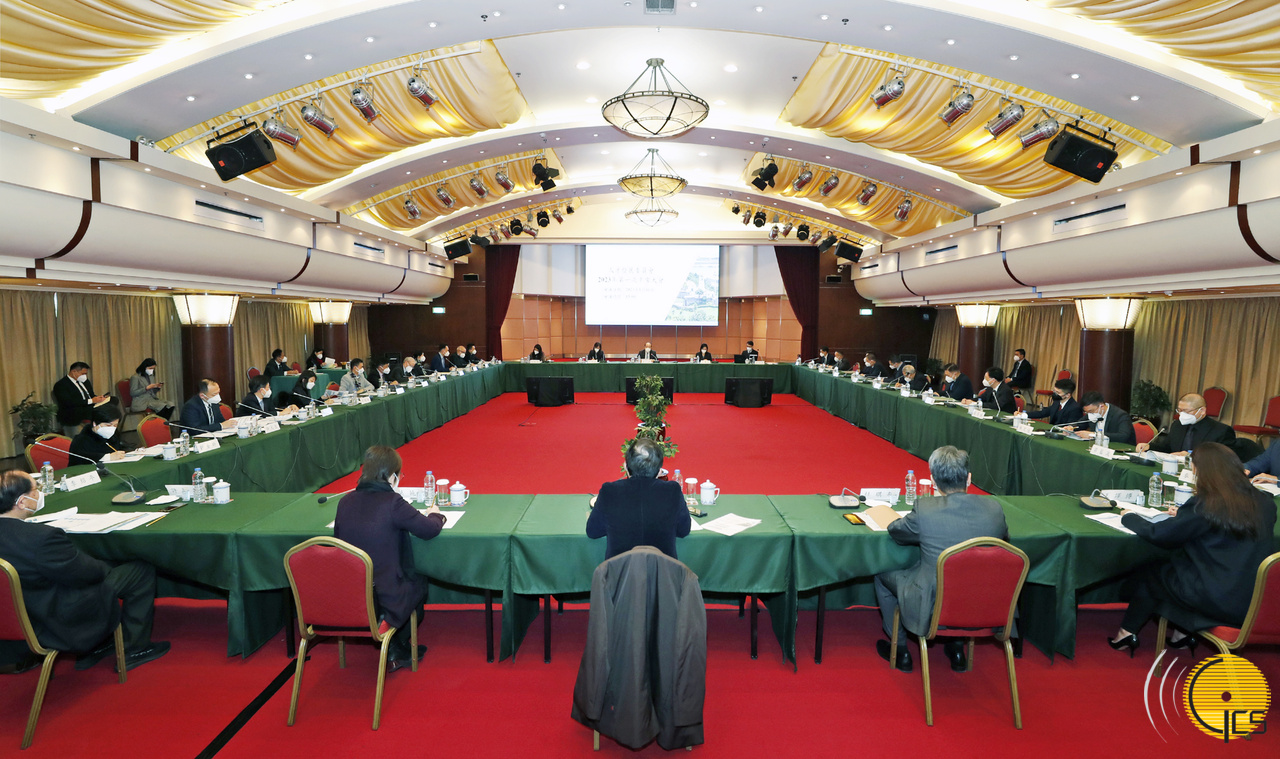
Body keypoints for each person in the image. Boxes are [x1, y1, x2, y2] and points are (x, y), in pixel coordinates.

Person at [1107, 442, 1277, 657]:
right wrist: (1184, 515)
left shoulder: (1207, 503)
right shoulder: (1265, 503)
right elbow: (1227, 524)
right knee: (1183, 570)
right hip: (1251, 599)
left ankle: (1126, 634)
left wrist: (1129, 517)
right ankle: (1182, 634)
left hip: (1214, 597)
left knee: (1153, 572)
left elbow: (1160, 535)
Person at [0, 471, 170, 671]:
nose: (40, 495)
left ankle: (98, 647)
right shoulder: (41, 538)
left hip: (17, 618)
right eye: (36, 490)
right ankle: (135, 650)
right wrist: (105, 565)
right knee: (139, 571)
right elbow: (87, 574)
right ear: (21, 502)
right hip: (55, 619)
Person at [872, 446, 1008, 673]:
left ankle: (900, 649)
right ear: (969, 478)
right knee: (966, 577)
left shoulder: (925, 509)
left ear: (933, 481)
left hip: (933, 600)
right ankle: (957, 649)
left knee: (881, 574)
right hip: (982, 597)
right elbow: (1005, 538)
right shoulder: (994, 507)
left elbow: (897, 532)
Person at [333, 446, 445, 672]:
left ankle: (394, 646)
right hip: (384, 597)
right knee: (418, 583)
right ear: (393, 476)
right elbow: (428, 529)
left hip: (349, 595)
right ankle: (395, 646)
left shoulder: (345, 501)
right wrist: (436, 513)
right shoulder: (393, 502)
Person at [586, 438, 691, 560]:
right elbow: (683, 530)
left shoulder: (609, 491)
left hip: (620, 571)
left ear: (626, 466)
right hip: (663, 571)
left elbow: (593, 531)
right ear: (660, 471)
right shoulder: (673, 490)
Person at [1136, 393, 1235, 456]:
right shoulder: (1177, 425)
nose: (1182, 414)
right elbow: (1166, 448)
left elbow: (1222, 458)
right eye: (1179, 410)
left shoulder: (1221, 431)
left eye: (1187, 411)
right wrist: (1149, 447)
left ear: (1202, 411)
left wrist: (1190, 456)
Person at [52, 362, 110, 436]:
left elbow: (91, 395)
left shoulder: (85, 382)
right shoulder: (61, 385)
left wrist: (99, 399)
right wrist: (92, 401)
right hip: (73, 411)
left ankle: (110, 436)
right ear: (74, 372)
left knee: (112, 402)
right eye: (83, 374)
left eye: (85, 374)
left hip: (89, 408)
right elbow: (68, 402)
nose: (84, 376)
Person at [1065, 391, 1136, 445]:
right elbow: (1080, 424)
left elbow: (1123, 436)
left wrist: (1093, 435)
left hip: (1120, 449)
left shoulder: (1120, 415)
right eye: (1087, 412)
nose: (1089, 414)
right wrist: (1071, 427)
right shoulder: (1092, 414)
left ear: (1101, 406)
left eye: (1091, 411)